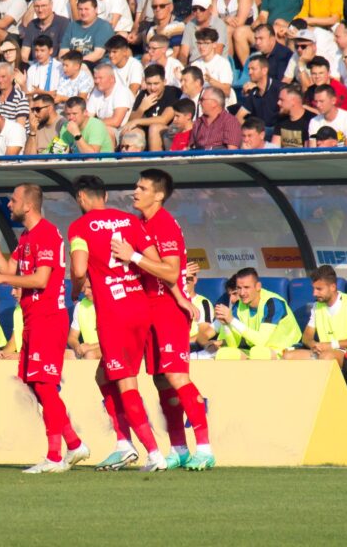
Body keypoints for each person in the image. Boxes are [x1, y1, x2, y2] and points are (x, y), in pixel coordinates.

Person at [0, 184, 89, 473]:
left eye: (13, 200)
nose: (9, 205)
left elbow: (41, 280)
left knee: (43, 384)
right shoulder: (26, 236)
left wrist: (2, 280)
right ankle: (74, 444)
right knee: (35, 384)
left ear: (28, 205)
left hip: (48, 318)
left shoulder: (46, 234)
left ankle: (56, 455)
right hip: (32, 319)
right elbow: (10, 269)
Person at [113, 169, 214, 470]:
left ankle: (205, 448)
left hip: (167, 310)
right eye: (136, 186)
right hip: (149, 309)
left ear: (158, 195)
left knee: (177, 376)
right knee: (160, 380)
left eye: (142, 188)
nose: (135, 191)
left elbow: (170, 270)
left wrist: (132, 257)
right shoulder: (141, 223)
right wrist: (182, 295)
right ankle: (179, 448)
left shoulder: (165, 224)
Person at [67, 174, 167, 472]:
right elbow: (156, 261)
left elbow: (79, 267)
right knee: (104, 376)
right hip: (140, 307)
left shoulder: (79, 226)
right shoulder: (129, 221)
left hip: (114, 311)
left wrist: (75, 289)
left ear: (81, 198)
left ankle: (154, 454)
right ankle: (123, 444)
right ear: (105, 196)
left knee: (125, 381)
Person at [214, 268, 302, 359]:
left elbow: (260, 341)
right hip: (257, 350)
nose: (242, 293)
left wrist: (232, 320)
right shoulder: (238, 306)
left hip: (285, 350)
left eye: (246, 287)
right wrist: (226, 325)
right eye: (239, 288)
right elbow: (233, 345)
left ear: (258, 286)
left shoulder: (273, 303)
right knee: (224, 353)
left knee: (258, 353)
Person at [284, 265, 347, 366]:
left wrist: (331, 345)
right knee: (287, 357)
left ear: (333, 287)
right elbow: (307, 337)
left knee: (326, 357)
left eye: (319, 289)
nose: (314, 293)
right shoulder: (317, 306)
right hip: (322, 351)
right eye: (314, 288)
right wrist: (314, 345)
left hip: (345, 352)